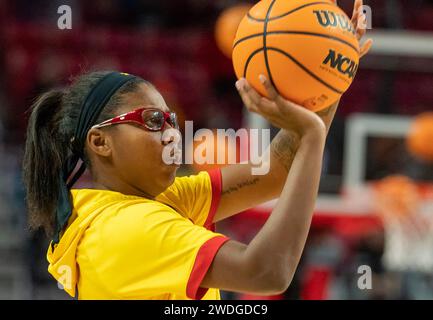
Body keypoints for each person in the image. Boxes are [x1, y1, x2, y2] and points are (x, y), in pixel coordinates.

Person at [22, 0, 371, 300]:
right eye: (154, 119)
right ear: (100, 142)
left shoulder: (152, 201)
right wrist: (311, 135)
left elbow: (277, 170)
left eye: (172, 120)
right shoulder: (125, 227)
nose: (174, 133)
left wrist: (328, 73)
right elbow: (266, 272)